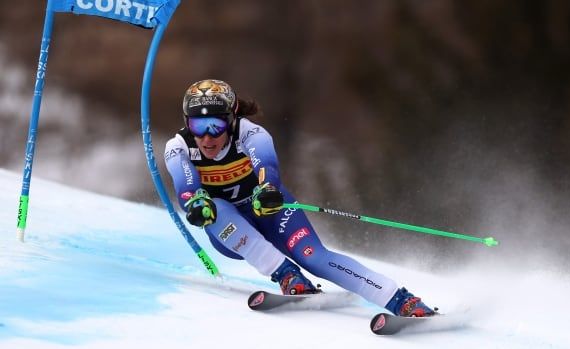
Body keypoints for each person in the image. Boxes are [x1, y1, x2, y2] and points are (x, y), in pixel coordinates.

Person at [163, 79, 436, 317]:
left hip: (267, 209)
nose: (207, 137)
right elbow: (186, 186)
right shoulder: (178, 148)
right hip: (230, 231)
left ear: (231, 118)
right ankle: (285, 275)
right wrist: (194, 203)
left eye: (215, 125)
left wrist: (267, 188)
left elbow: (266, 165)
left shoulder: (250, 133)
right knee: (214, 208)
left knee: (313, 256)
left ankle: (401, 300)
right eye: (198, 125)